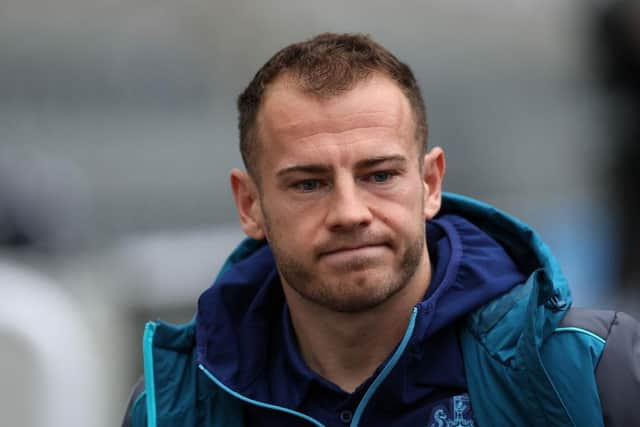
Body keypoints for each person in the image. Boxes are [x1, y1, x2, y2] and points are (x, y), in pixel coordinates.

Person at [122, 33, 640, 427]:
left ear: (430, 183)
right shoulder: (173, 407)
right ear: (250, 204)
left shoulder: (589, 369)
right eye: (308, 184)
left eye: (380, 175)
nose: (350, 212)